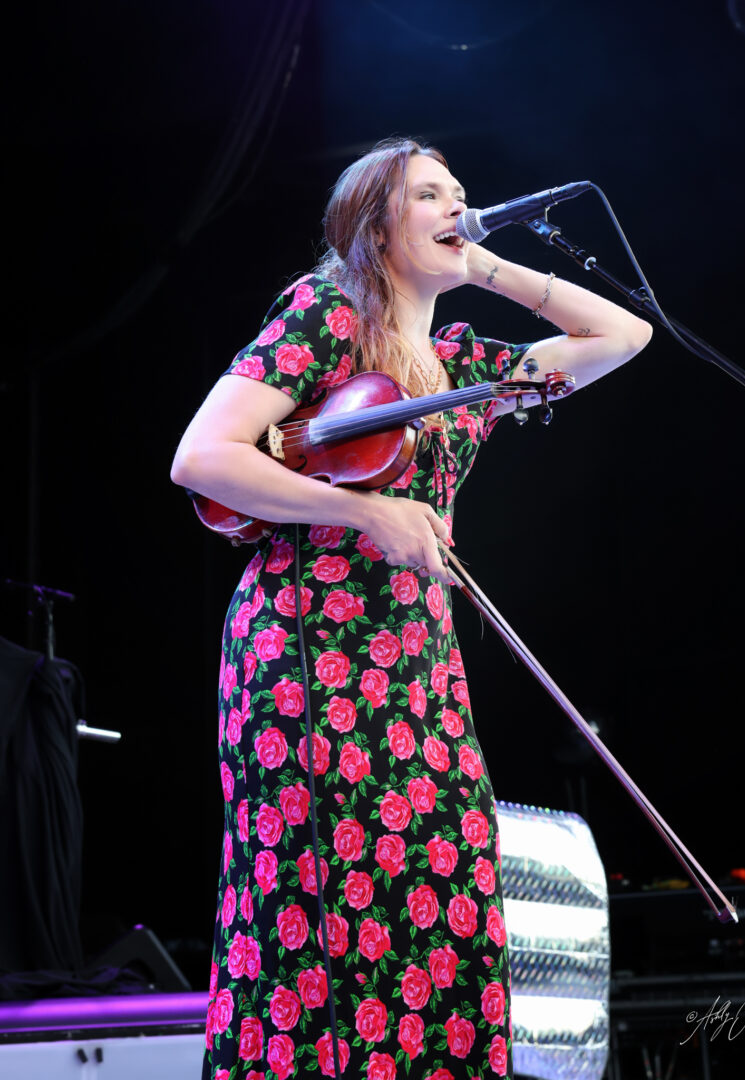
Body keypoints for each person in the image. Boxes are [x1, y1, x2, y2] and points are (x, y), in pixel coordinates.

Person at [171, 136, 651, 1080]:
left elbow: (620, 337)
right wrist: (365, 509)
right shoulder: (325, 314)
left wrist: (490, 265)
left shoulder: (466, 365)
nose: (455, 206)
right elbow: (202, 458)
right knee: (327, 895)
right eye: (429, 195)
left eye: (460, 193)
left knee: (442, 885)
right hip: (307, 645)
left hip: (417, 658)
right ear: (377, 228)